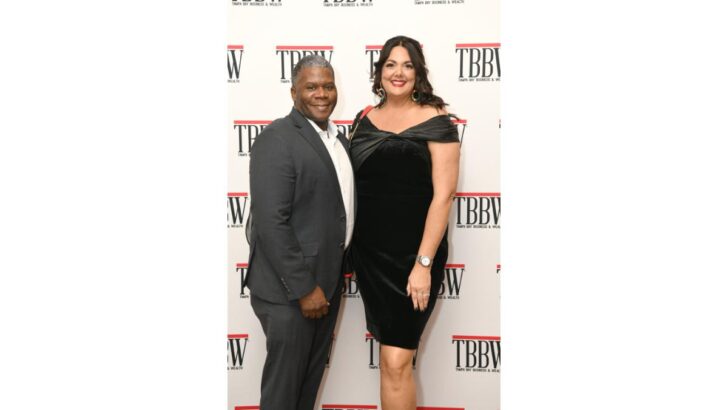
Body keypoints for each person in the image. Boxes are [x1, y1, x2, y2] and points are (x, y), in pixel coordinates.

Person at [349, 35, 461, 409]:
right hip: (371, 257)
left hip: (414, 259)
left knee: (397, 361)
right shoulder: (364, 119)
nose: (398, 73)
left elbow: (443, 196)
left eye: (408, 65)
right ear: (379, 71)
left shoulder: (437, 120)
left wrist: (423, 264)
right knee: (389, 362)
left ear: (418, 73)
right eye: (391, 64)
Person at [245, 55, 355, 410]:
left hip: (326, 287)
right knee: (282, 396)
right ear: (294, 93)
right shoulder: (277, 139)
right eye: (311, 87)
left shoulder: (338, 141)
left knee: (305, 393)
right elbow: (270, 222)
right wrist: (305, 289)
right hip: (290, 294)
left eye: (328, 86)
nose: (321, 94)